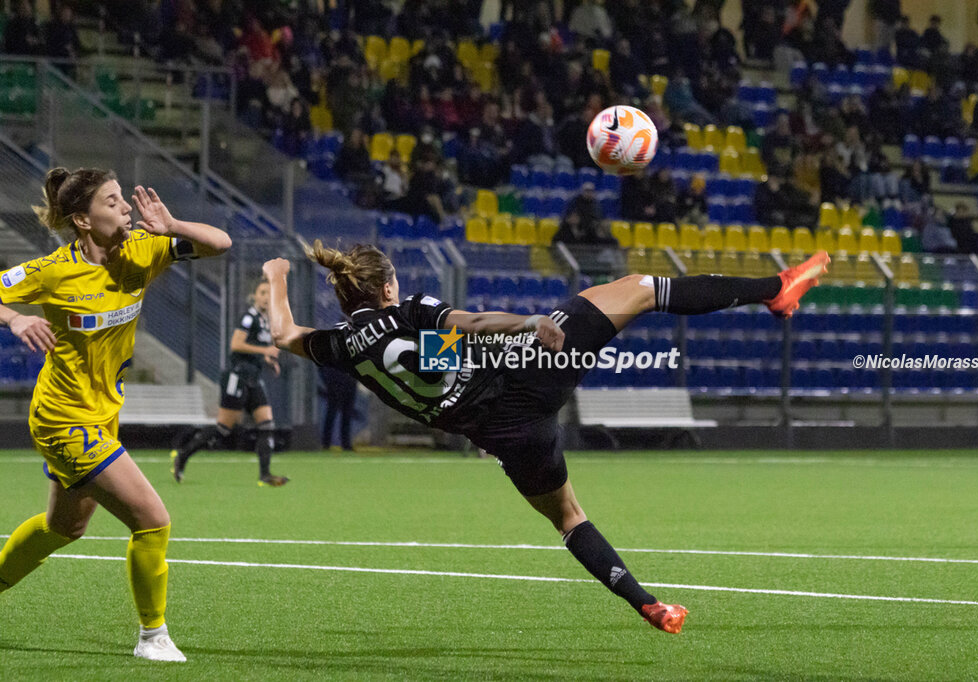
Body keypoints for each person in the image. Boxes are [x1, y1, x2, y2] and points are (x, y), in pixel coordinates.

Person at [260, 242, 831, 634]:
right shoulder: (410, 310)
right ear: (388, 286)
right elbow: (474, 324)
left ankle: (650, 605)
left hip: (508, 435)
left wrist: (277, 278)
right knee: (638, 288)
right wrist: (528, 323)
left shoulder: (339, 345)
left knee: (569, 518)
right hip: (529, 370)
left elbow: (284, 331)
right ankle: (774, 288)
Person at [0, 168, 232, 661]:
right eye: (113, 201)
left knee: (63, 528)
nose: (126, 207)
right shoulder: (52, 270)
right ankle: (153, 637)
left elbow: (221, 242)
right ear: (83, 220)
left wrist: (173, 226)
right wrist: (17, 316)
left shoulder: (141, 250)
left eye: (124, 198)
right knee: (152, 518)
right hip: (63, 418)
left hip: (102, 415)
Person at [171, 279, 289, 487]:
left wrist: (268, 360)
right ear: (255, 296)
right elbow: (236, 345)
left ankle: (265, 474)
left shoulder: (266, 320)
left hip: (253, 378)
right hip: (237, 377)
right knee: (224, 428)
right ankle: (184, 454)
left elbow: (258, 348)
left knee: (267, 424)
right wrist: (266, 351)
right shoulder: (248, 318)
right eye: (262, 292)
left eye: (269, 294)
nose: (265, 297)